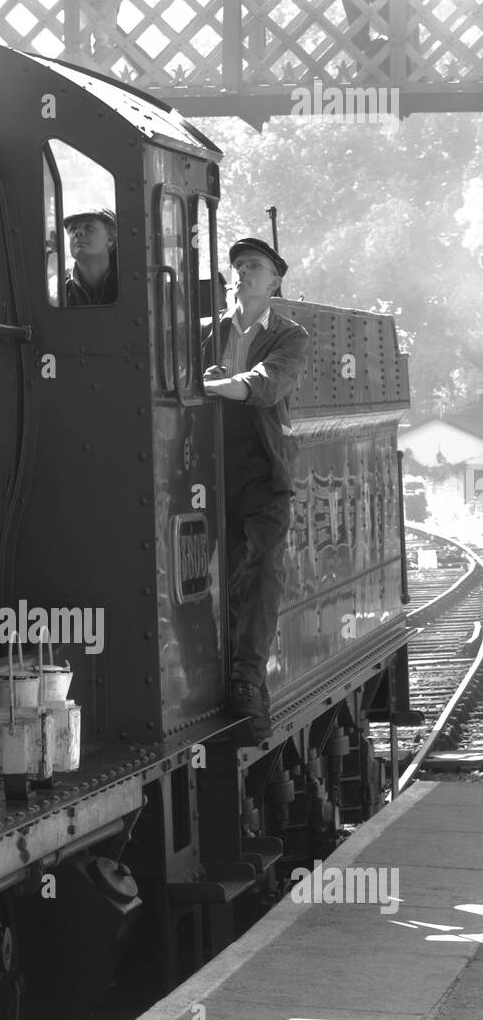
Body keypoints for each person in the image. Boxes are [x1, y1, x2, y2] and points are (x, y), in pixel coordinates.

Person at [201, 237, 309, 736]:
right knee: (216, 573)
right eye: (239, 265)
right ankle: (212, 671)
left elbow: (269, 383)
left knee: (264, 567)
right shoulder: (205, 332)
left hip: (263, 468)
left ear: (275, 281)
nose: (243, 272)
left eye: (255, 266)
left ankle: (248, 679)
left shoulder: (291, 336)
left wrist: (226, 383)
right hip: (206, 465)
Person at [63, 208, 118, 306]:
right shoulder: (56, 290)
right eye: (73, 229)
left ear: (110, 239)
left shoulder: (127, 284)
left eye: (89, 227)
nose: (78, 232)